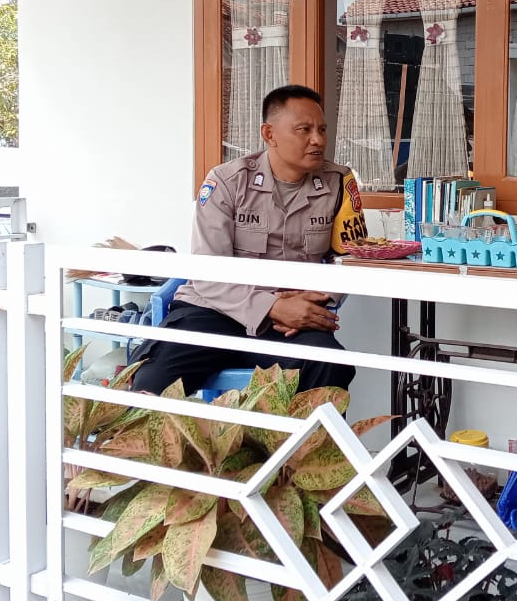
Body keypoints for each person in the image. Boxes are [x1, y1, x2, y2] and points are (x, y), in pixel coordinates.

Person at [131, 84, 366, 396]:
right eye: (304, 130)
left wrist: (315, 300)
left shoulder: (338, 184)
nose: (318, 140)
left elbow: (351, 258)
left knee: (329, 365)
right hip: (213, 311)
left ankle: (294, 432)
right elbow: (208, 273)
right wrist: (273, 307)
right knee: (151, 378)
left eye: (322, 130)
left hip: (290, 321)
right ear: (269, 134)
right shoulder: (227, 182)